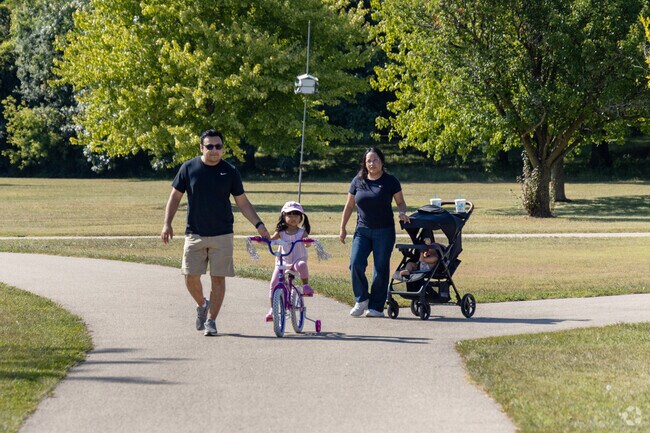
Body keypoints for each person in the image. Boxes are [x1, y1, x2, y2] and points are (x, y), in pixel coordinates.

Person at [161, 129, 270, 336]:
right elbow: (175, 197)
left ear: (222, 148)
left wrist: (259, 224)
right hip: (195, 233)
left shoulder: (230, 171)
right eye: (209, 146)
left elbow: (243, 203)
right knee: (190, 276)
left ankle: (211, 320)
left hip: (223, 234)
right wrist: (167, 223)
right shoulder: (188, 168)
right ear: (201, 148)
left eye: (218, 146)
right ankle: (202, 304)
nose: (214, 150)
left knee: (218, 278)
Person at [339, 147, 410, 317]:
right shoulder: (357, 181)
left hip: (384, 231)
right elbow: (349, 206)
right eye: (369, 160)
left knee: (380, 268)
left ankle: (376, 307)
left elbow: (401, 203)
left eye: (375, 160)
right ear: (365, 163)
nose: (372, 163)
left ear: (382, 162)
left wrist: (402, 213)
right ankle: (362, 299)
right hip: (362, 230)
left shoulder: (391, 181)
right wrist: (342, 227)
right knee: (355, 262)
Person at [265, 201, 313, 321]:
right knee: (273, 284)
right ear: (283, 217)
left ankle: (306, 285)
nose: (293, 218)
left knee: (302, 265)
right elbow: (271, 240)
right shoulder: (280, 232)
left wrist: (307, 242)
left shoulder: (302, 232)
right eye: (289, 215)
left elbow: (307, 245)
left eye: (296, 215)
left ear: (301, 217)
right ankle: (272, 309)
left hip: (297, 260)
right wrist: (264, 240)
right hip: (282, 262)